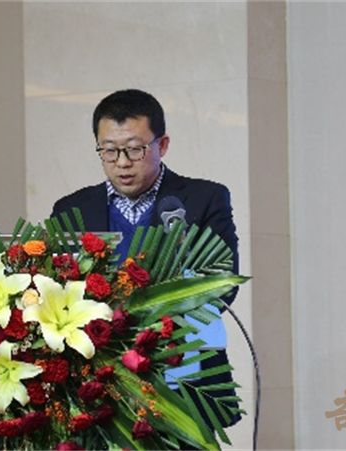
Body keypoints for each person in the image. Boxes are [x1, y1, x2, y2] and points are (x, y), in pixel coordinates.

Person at [51, 88, 240, 429]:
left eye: (135, 149)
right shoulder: (72, 209)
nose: (122, 162)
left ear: (162, 145)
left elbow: (223, 283)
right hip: (97, 383)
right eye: (109, 150)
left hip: (184, 377)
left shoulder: (203, 198)